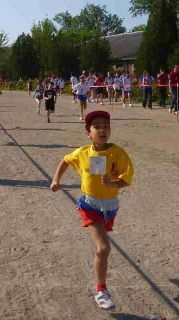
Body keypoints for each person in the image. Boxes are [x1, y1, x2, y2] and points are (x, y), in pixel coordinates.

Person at [50, 110, 134, 310]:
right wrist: (55, 180)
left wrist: (113, 183)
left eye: (106, 126)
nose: (102, 129)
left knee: (102, 247)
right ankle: (101, 290)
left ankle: (100, 276)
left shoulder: (118, 153)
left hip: (110, 207)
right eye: (97, 126)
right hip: (89, 205)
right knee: (104, 247)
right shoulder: (82, 153)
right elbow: (65, 161)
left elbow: (126, 178)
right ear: (88, 132)